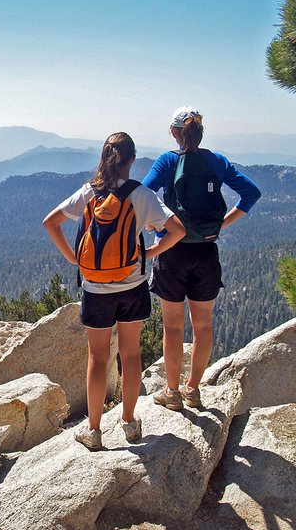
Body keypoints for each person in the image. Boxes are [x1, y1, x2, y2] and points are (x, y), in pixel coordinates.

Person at [43, 132, 185, 449]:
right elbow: (178, 230)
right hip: (132, 286)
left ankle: (93, 431)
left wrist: (74, 258)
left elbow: (50, 222)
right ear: (132, 160)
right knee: (130, 355)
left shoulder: (88, 193)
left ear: (104, 158)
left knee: (98, 357)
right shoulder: (142, 195)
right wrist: (152, 251)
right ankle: (130, 423)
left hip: (95, 289)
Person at [142, 106, 261, 411]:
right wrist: (222, 223)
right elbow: (251, 193)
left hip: (172, 251)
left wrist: (154, 223)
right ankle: (193, 389)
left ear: (173, 133)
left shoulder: (169, 161)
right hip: (207, 253)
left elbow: (142, 195)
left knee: (172, 326)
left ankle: (172, 393)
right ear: (201, 131)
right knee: (203, 325)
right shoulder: (216, 161)